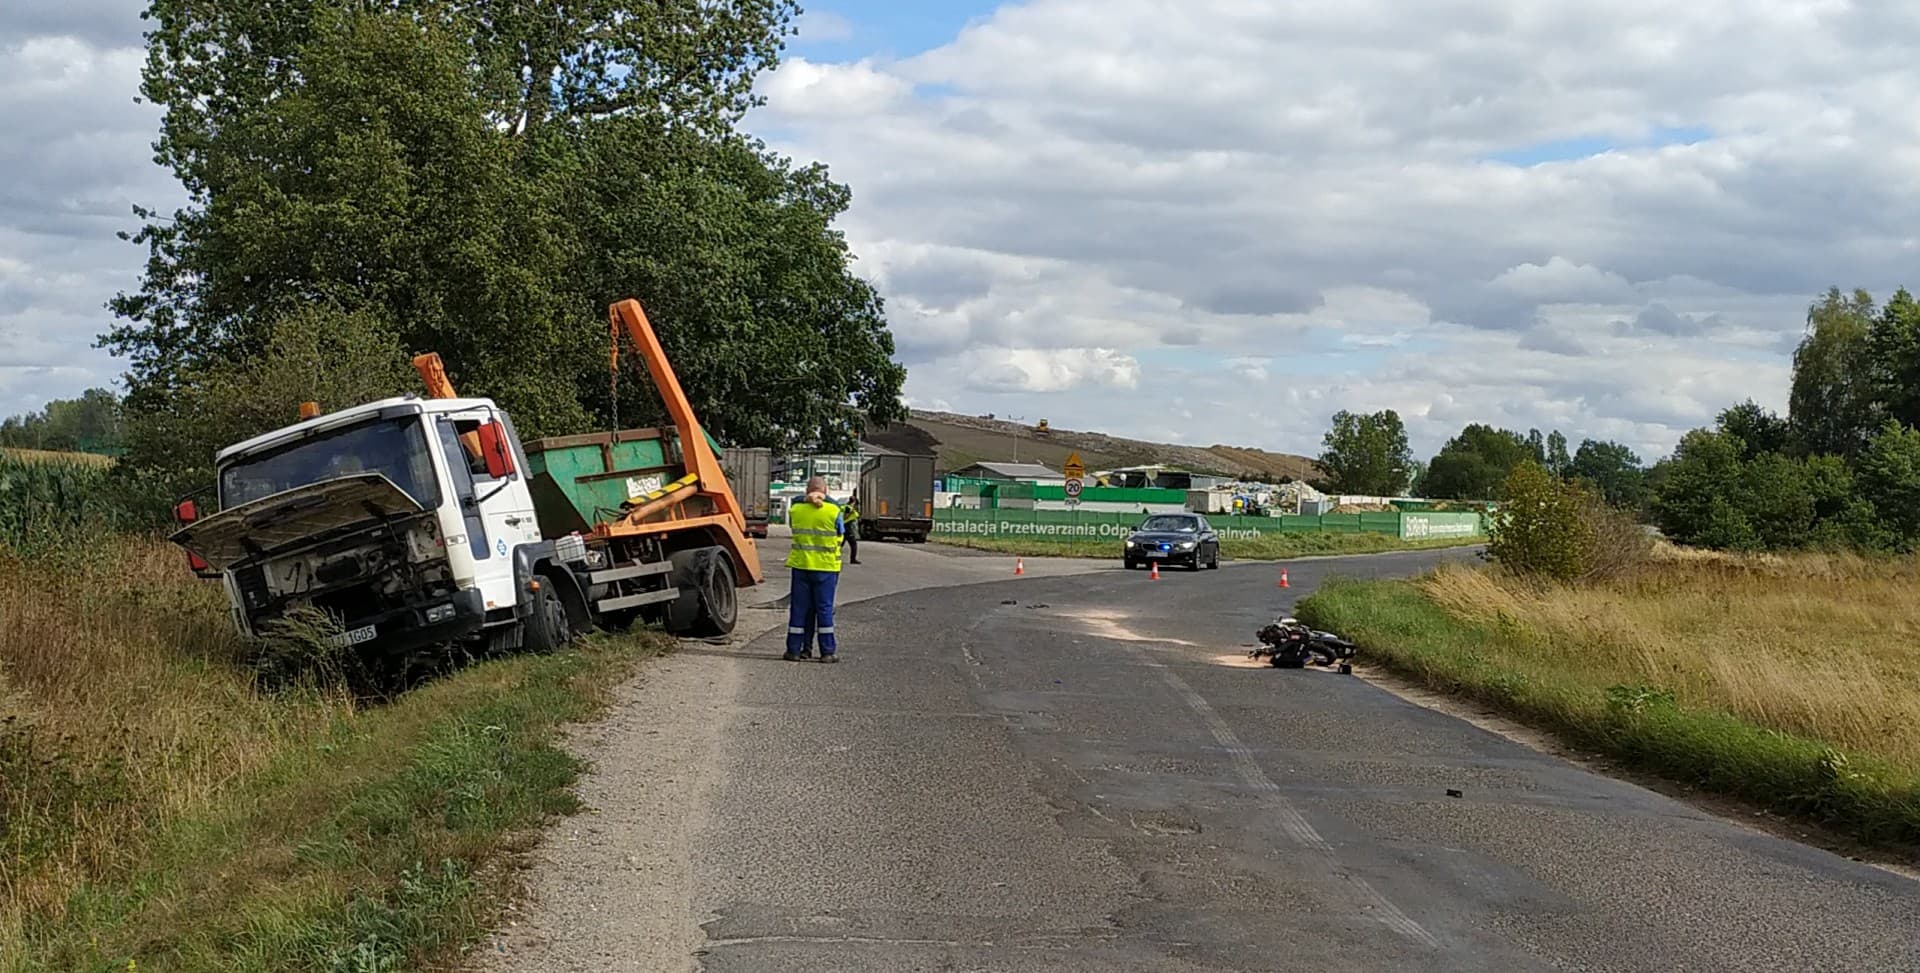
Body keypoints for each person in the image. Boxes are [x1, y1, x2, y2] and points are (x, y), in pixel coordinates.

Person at [784, 477, 844, 663]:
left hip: (801, 566)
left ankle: (796, 650)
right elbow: (841, 532)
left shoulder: (796, 509)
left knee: (800, 609)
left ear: (806, 491)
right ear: (825, 491)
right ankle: (827, 652)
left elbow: (794, 514)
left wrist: (807, 498)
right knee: (824, 609)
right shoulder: (834, 510)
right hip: (826, 568)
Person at [841, 493, 862, 565]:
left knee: (841, 544)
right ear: (854, 502)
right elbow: (845, 517)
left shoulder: (847, 507)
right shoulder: (848, 508)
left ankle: (833, 557)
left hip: (845, 527)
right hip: (847, 528)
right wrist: (851, 512)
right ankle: (853, 559)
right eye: (856, 504)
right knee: (853, 544)